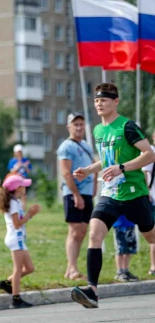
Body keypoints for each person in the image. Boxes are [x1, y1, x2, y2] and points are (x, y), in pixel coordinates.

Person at [70, 82, 155, 309]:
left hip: (135, 194)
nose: (99, 104)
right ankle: (92, 291)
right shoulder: (98, 130)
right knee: (94, 234)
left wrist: (123, 168)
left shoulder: (127, 126)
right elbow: (107, 160)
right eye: (96, 100)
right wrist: (89, 170)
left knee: (151, 237)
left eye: (104, 100)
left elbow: (148, 155)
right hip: (110, 195)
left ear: (115, 102)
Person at [57, 112, 96, 280]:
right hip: (74, 193)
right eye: (76, 125)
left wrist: (94, 186)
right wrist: (75, 194)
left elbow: (93, 166)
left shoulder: (86, 145)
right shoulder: (66, 147)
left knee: (82, 231)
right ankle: (72, 268)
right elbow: (66, 172)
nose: (79, 127)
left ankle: (70, 267)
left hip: (87, 193)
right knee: (74, 231)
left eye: (81, 124)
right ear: (69, 127)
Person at [0, 174, 39, 309]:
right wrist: (30, 215)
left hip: (18, 239)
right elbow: (17, 224)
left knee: (30, 268)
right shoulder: (13, 204)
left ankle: (6, 283)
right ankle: (16, 299)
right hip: (16, 238)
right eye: (23, 186)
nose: (25, 188)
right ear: (17, 188)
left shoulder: (15, 201)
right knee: (18, 270)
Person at [111, 215, 140, 282]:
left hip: (130, 223)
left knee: (129, 249)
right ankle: (119, 272)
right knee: (120, 249)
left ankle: (125, 270)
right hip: (119, 225)